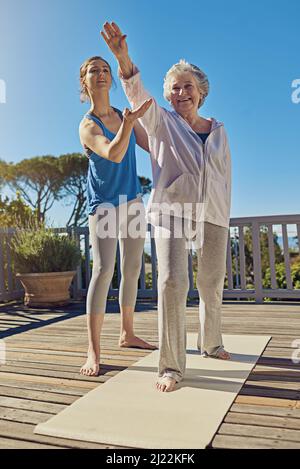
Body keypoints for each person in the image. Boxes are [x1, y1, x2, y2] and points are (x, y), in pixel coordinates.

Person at [101, 22, 232, 392]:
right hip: (172, 211)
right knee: (173, 281)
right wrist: (123, 58)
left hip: (215, 214)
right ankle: (171, 366)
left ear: (201, 92)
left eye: (187, 86)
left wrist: (223, 212)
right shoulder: (161, 122)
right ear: (168, 96)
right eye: (174, 88)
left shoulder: (219, 130)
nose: (181, 92)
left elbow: (225, 176)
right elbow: (136, 94)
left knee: (211, 282)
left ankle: (211, 342)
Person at [79, 55, 156, 377]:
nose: (101, 73)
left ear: (111, 79)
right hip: (106, 206)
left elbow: (152, 146)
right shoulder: (87, 125)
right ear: (84, 82)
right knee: (104, 269)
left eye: (105, 69)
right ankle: (93, 351)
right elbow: (114, 152)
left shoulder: (125, 116)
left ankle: (127, 333)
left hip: (134, 201)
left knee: (133, 267)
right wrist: (128, 122)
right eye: (93, 70)